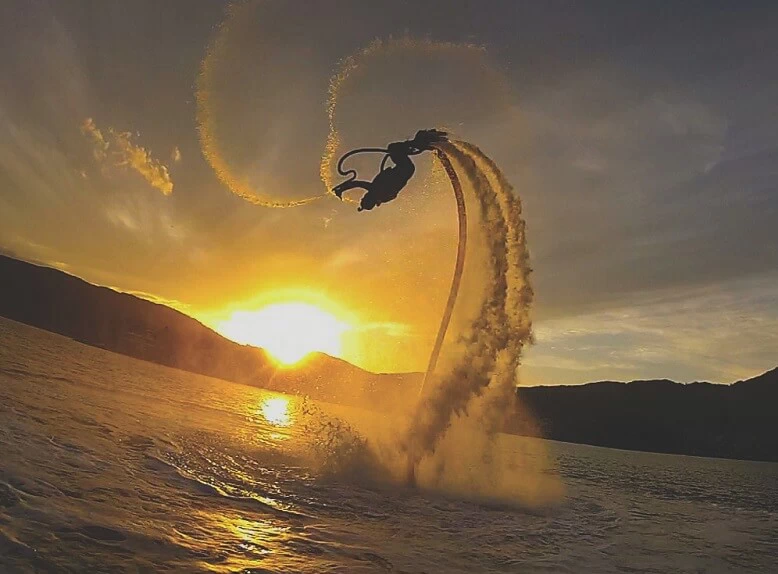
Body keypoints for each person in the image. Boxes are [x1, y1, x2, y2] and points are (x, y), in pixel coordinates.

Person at [333, 129, 447, 211]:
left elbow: (358, 184)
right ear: (369, 199)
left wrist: (342, 188)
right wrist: (341, 189)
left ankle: (421, 143)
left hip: (405, 170)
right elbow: (358, 183)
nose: (365, 195)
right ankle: (422, 142)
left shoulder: (378, 194)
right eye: (364, 198)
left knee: (395, 149)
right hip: (404, 169)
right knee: (393, 148)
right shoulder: (377, 192)